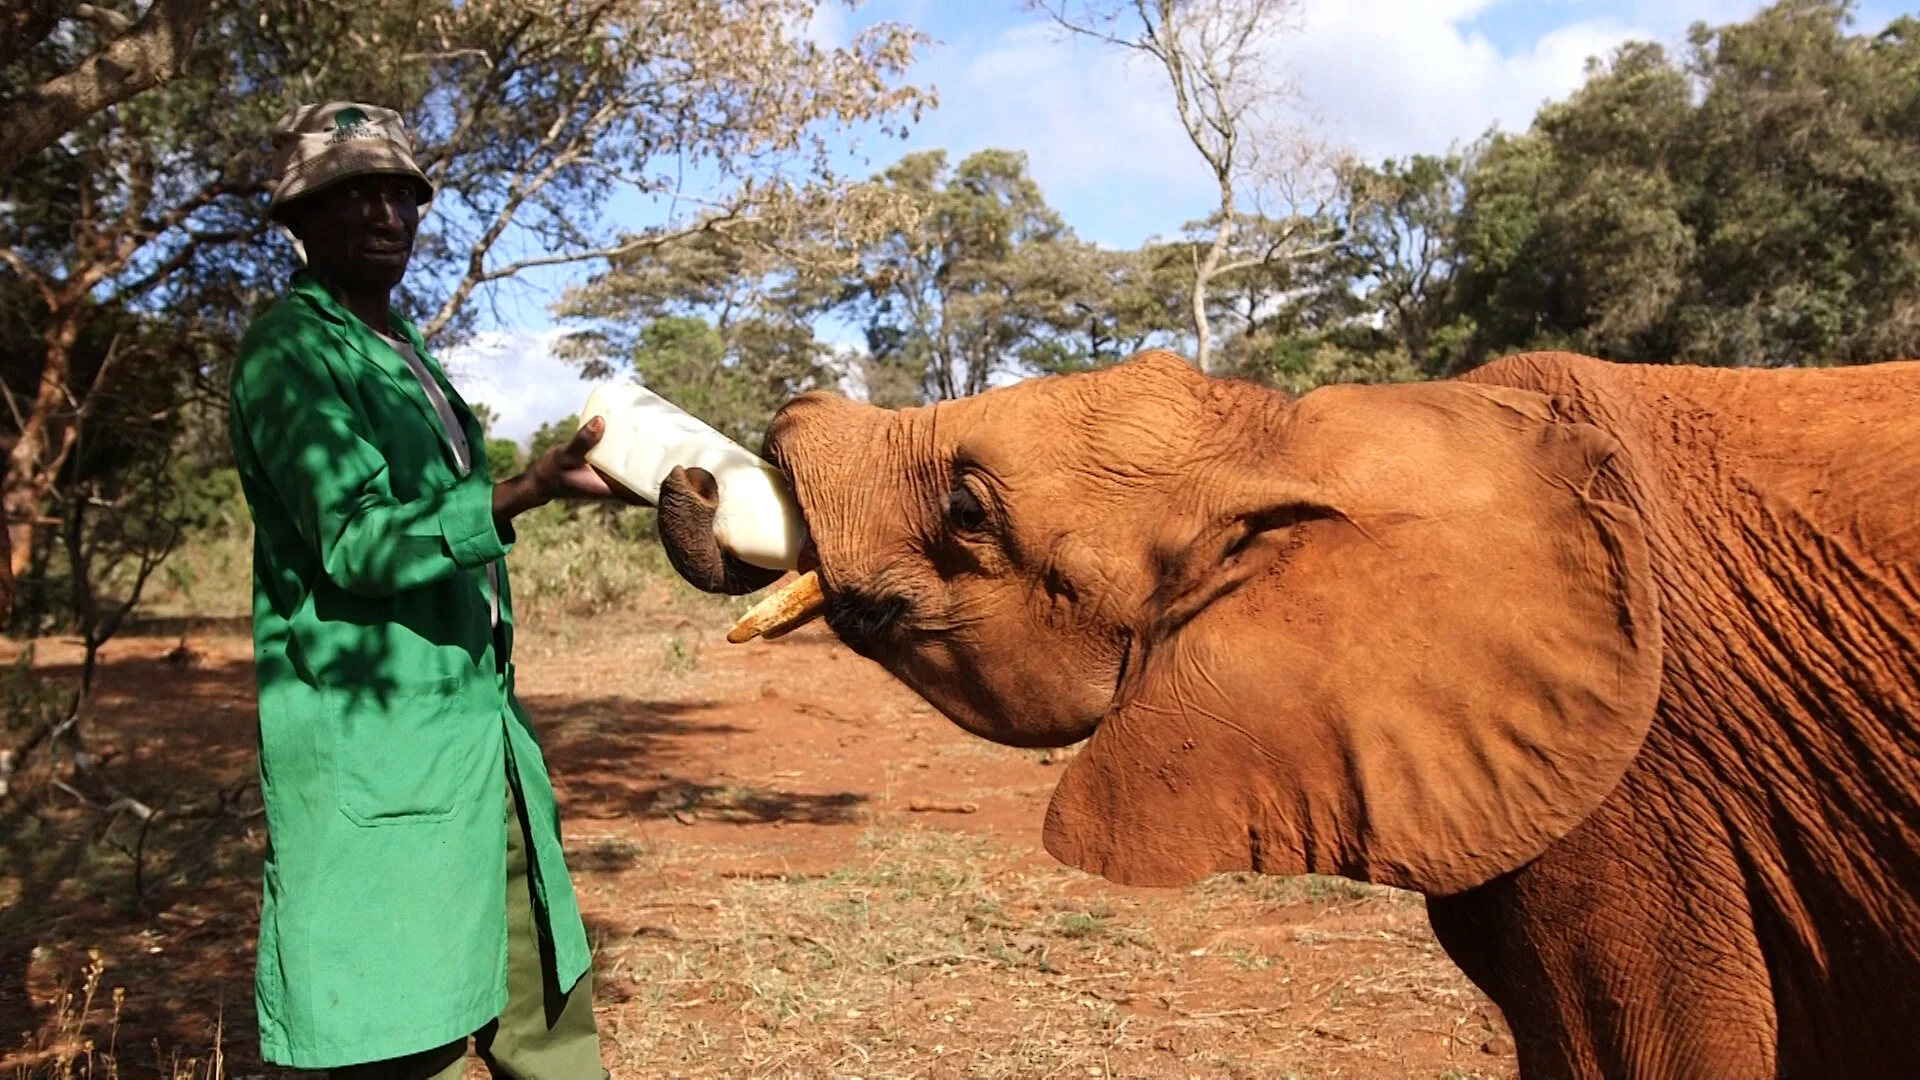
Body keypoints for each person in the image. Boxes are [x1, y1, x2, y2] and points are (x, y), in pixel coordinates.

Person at [228, 101, 632, 1079]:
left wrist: (570, 484)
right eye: (352, 193)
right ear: (299, 218)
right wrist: (522, 491)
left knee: (548, 1021)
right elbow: (358, 540)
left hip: (480, 743)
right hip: (382, 751)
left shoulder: (407, 353)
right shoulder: (291, 354)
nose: (383, 214)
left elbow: (446, 524)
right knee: (401, 1030)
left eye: (400, 194)